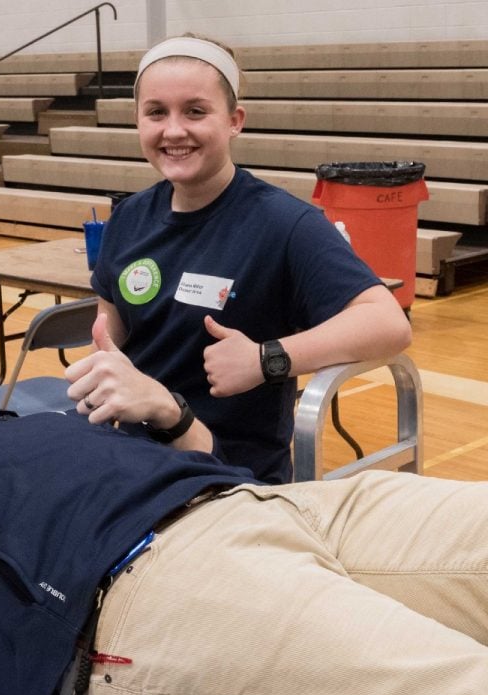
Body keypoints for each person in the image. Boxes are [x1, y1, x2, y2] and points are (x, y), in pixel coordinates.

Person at [0, 286, 488, 695]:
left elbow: (209, 458)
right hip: (152, 585)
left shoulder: (46, 419)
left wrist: (170, 411)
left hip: (281, 506)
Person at [65, 34, 412, 483]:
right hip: (132, 461)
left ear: (234, 121)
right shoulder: (130, 217)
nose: (173, 130)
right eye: (156, 112)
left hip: (230, 475)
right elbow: (113, 329)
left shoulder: (285, 224)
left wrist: (266, 359)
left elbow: (387, 323)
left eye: (195, 111)